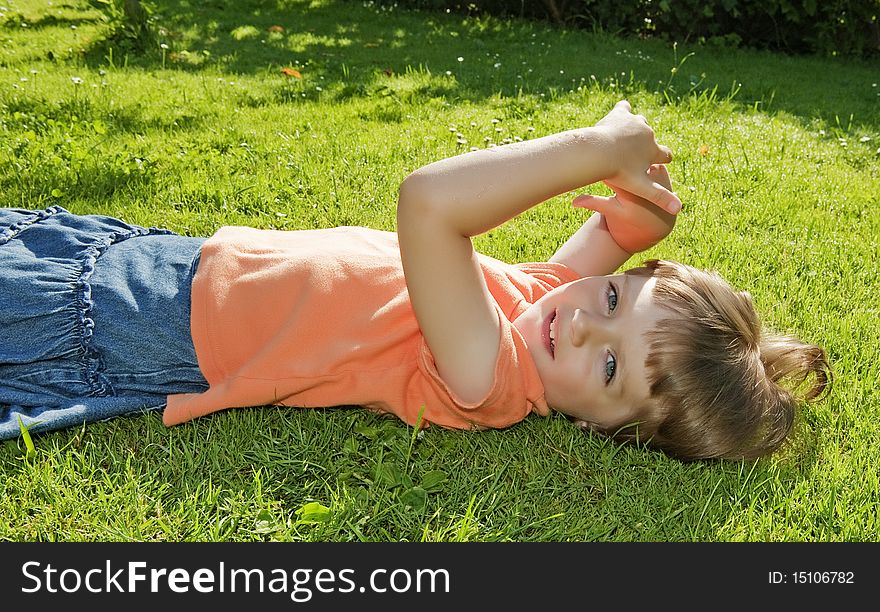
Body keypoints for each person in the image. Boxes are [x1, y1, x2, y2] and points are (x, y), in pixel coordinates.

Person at [0, 100, 830, 461]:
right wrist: (640, 228)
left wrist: (597, 147)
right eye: (612, 299)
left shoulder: (489, 379)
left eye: (608, 367)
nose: (581, 323)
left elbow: (429, 203)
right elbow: (607, 240)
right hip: (177, 268)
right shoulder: (539, 309)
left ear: (597, 427)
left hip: (142, 320)